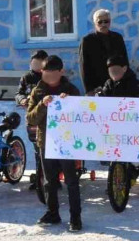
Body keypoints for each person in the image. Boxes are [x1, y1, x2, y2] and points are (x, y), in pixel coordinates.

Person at [26, 55, 83, 232]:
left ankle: (75, 218)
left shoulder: (71, 90)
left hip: (67, 143)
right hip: (46, 143)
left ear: (61, 72)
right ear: (41, 72)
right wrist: (42, 105)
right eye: (46, 73)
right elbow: (31, 119)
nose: (50, 77)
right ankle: (53, 213)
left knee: (71, 181)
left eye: (53, 73)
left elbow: (82, 116)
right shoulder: (37, 91)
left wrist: (69, 104)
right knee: (49, 182)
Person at [15, 49, 47, 191]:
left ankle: (51, 177)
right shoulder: (26, 77)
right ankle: (40, 177)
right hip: (32, 117)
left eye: (39, 63)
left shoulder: (48, 77)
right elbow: (19, 93)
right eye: (34, 63)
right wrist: (22, 99)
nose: (36, 65)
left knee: (49, 149)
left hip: (47, 118)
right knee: (37, 148)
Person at [79, 9, 128, 94]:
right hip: (97, 86)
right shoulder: (87, 41)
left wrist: (126, 83)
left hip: (117, 85)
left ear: (110, 22)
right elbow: (84, 67)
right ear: (95, 23)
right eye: (100, 22)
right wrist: (89, 90)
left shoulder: (117, 38)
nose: (103, 24)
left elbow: (125, 61)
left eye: (106, 21)